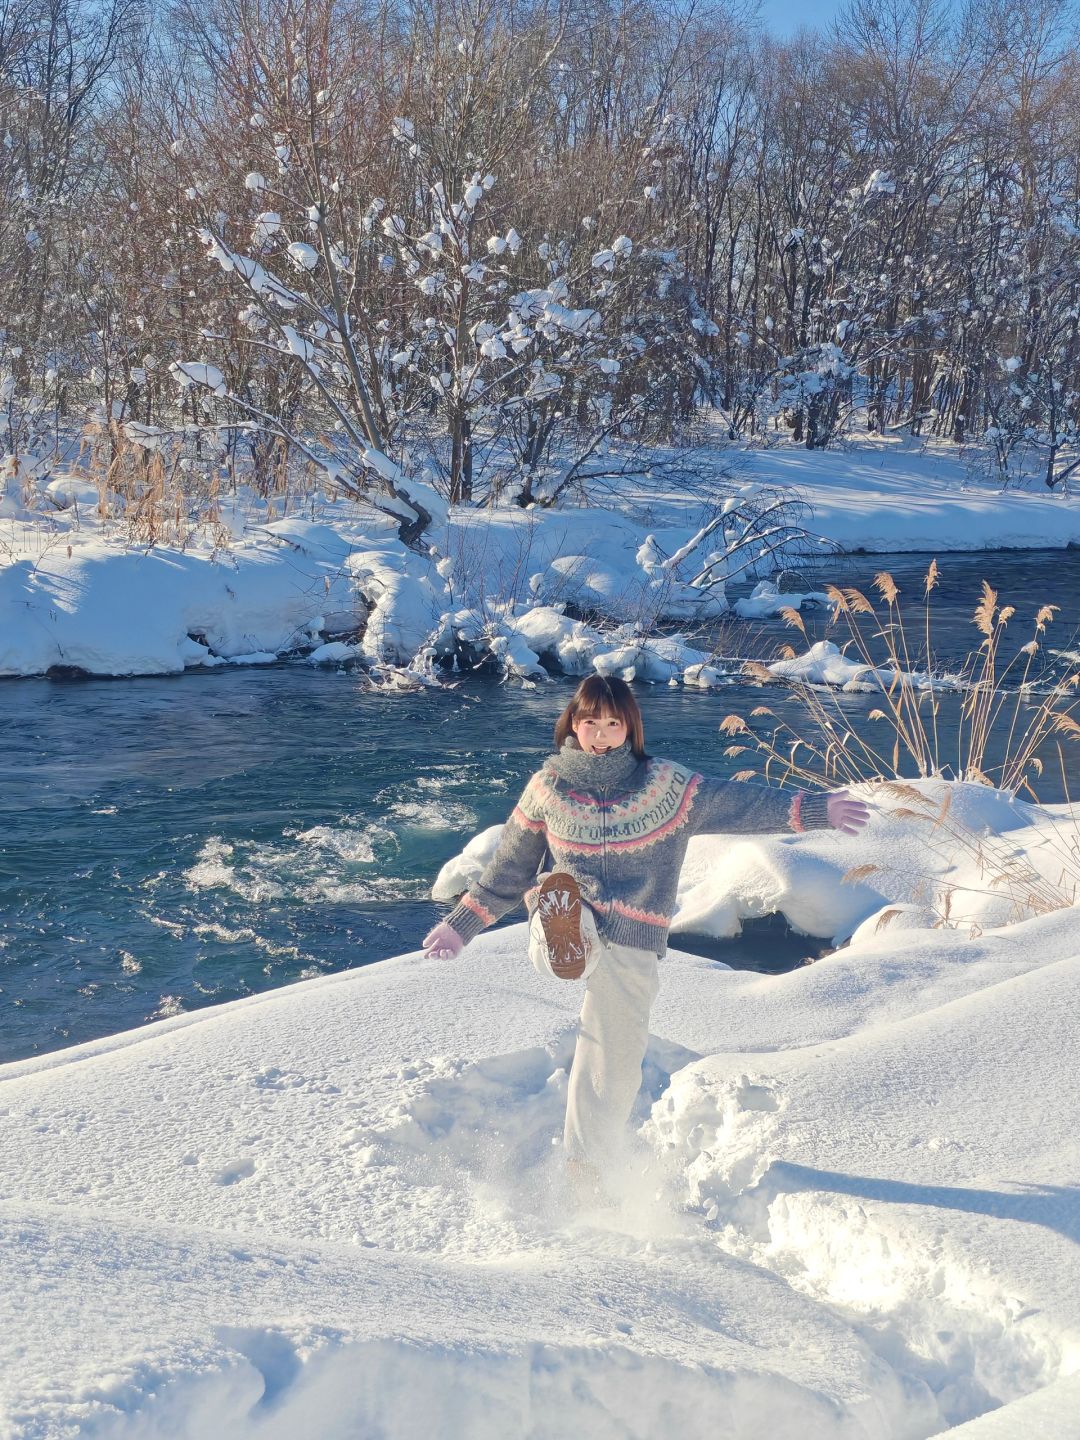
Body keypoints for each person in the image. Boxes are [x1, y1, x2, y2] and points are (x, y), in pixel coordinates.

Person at [422, 675, 869, 1198]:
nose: (603, 733)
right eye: (592, 722)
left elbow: (740, 802)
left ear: (631, 727)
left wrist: (815, 809)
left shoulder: (667, 787)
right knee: (559, 914)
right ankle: (563, 927)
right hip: (573, 911)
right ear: (573, 724)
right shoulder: (547, 787)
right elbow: (508, 868)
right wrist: (460, 926)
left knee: (615, 1054)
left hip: (635, 934)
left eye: (614, 722)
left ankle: (587, 1164)